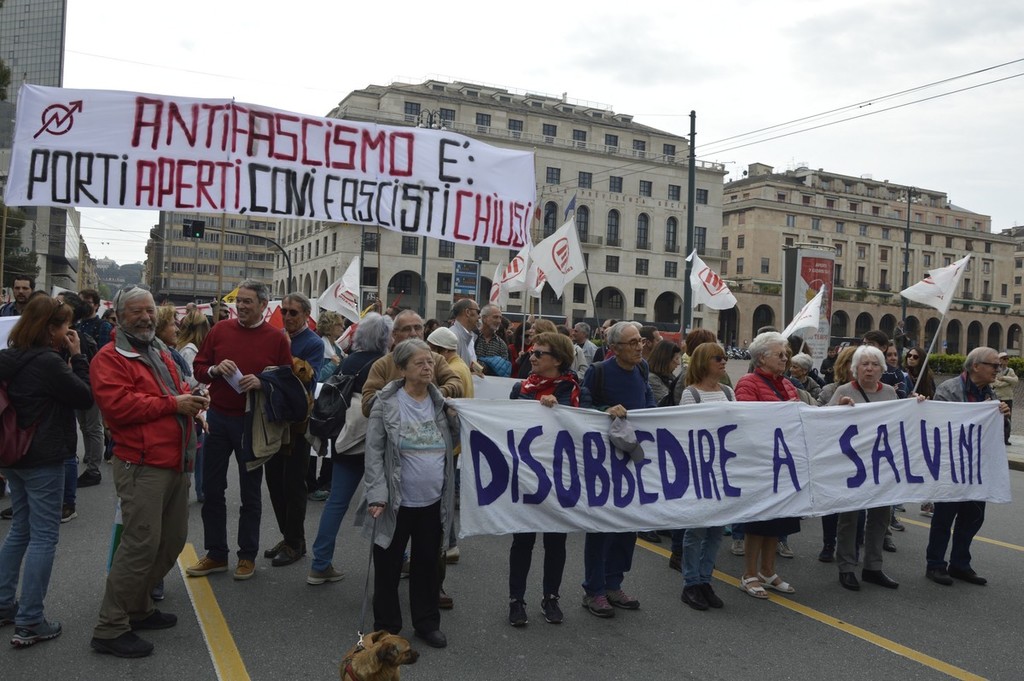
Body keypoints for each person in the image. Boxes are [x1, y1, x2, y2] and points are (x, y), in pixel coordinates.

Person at [88, 286, 208, 658]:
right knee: (140, 545)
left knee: (171, 541)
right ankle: (110, 627)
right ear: (119, 316)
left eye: (150, 311)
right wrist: (175, 403)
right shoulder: (109, 357)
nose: (145, 317)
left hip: (175, 461)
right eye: (136, 311)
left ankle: (138, 607)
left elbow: (177, 387)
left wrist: (194, 396)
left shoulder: (158, 350)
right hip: (141, 465)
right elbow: (119, 406)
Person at [0, 294, 92, 647]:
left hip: (13, 453)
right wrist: (78, 357)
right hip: (43, 455)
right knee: (43, 536)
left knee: (20, 529)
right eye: (66, 325)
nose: (69, 331)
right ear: (50, 329)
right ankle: (30, 620)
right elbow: (84, 397)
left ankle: (4, 602)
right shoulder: (49, 363)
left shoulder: (8, 357)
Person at [186, 280, 292, 581]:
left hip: (251, 423)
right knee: (212, 490)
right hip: (219, 419)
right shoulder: (219, 330)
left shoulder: (277, 338)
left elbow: (287, 381)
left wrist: (262, 382)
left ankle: (247, 556)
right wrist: (214, 370)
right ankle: (216, 554)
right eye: (239, 301)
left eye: (248, 302)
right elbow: (198, 367)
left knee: (250, 493)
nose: (241, 306)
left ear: (263, 305)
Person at [363, 339, 458, 649]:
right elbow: (374, 453)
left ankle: (427, 624)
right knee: (388, 567)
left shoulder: (440, 403)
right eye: (420, 363)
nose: (428, 367)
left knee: (427, 566)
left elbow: (456, 441)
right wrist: (377, 494)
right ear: (402, 369)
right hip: (395, 502)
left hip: (433, 501)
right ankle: (387, 628)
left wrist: (455, 418)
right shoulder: (386, 403)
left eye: (430, 361)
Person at [506, 332, 587, 627]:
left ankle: (551, 597)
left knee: (555, 542)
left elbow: (586, 421)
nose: (532, 357)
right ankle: (516, 600)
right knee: (522, 541)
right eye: (532, 352)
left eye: (539, 353)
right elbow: (506, 423)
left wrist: (561, 410)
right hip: (527, 476)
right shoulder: (521, 389)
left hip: (559, 476)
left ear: (558, 360)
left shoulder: (572, 390)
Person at [307, 313, 393, 585]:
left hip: (345, 440)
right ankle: (399, 558)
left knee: (336, 503)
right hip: (376, 442)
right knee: (387, 502)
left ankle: (320, 563)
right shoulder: (384, 364)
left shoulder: (348, 360)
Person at [579, 321, 655, 617]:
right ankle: (594, 590)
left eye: (640, 341)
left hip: (632, 460)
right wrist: (604, 411)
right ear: (614, 348)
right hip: (604, 462)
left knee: (627, 525)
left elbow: (649, 404)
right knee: (602, 527)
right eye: (632, 343)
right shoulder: (598, 372)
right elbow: (582, 409)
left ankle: (614, 584)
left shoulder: (642, 369)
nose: (639, 347)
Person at [925, 347, 1010, 587]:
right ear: (976, 366)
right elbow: (938, 427)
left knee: (972, 517)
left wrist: (1002, 416)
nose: (998, 369)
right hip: (951, 467)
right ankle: (935, 564)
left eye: (999, 366)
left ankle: (960, 564)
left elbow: (998, 435)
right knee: (944, 518)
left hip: (977, 469)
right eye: (994, 365)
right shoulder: (948, 390)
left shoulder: (990, 394)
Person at [828, 345, 903, 592]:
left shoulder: (890, 392)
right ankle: (846, 567)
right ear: (855, 368)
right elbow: (823, 422)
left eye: (874, 364)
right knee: (849, 517)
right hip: (852, 465)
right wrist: (838, 408)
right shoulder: (844, 390)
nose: (869, 369)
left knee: (880, 517)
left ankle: (873, 566)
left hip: (881, 465)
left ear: (882, 369)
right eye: (864, 364)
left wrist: (918, 405)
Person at [733, 331, 800, 599]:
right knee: (758, 521)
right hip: (760, 462)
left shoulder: (788, 384)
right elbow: (747, 418)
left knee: (778, 519)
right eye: (779, 354)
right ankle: (749, 574)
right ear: (761, 358)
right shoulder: (747, 382)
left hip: (785, 461)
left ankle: (768, 571)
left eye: (786, 354)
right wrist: (784, 412)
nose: (785, 358)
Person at [264, 293, 323, 568]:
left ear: (306, 315)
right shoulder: (276, 336)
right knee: (274, 482)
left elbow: (307, 380)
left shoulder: (313, 342)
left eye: (293, 312)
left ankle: (295, 543)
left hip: (297, 424)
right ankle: (288, 536)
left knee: (293, 485)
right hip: (274, 420)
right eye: (284, 311)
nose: (287, 316)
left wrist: (286, 352)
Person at [677, 343, 733, 611]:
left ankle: (705, 580)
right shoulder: (691, 394)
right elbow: (685, 433)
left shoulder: (728, 392)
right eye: (717, 358)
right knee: (697, 529)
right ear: (703, 362)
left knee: (716, 531)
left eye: (725, 357)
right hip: (700, 471)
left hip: (723, 470)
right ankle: (691, 583)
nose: (724, 361)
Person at [361, 310, 464, 417]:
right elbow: (367, 404)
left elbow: (457, 384)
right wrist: (403, 400)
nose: (413, 333)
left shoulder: (436, 360)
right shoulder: (382, 365)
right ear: (394, 334)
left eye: (417, 328)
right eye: (407, 329)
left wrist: (435, 394)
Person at [474, 304, 510, 377]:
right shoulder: (472, 337)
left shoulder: (501, 344)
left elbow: (504, 370)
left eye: (500, 318)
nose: (499, 321)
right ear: (484, 318)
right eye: (495, 317)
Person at [992, 352, 1017, 445]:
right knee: (996, 419)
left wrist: (1003, 378)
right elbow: (995, 383)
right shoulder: (995, 370)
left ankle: (1006, 438)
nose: (1006, 360)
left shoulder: (1010, 370)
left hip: (1008, 397)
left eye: (1007, 359)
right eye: (1004, 358)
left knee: (1007, 419)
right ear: (1000, 360)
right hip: (997, 397)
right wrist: (1008, 382)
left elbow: (1015, 380)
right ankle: (996, 437)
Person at [448, 298, 480, 370]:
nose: (479, 316)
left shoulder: (470, 337)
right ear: (467, 312)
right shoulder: (452, 337)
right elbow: (451, 371)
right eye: (478, 312)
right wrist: (471, 374)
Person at [647, 340, 681, 404]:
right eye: (676, 359)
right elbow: (668, 402)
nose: (678, 363)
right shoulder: (652, 379)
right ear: (666, 360)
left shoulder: (669, 376)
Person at [316, 310, 346, 382]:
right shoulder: (319, 348)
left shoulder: (337, 348)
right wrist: (332, 365)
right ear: (329, 326)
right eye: (338, 324)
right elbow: (316, 377)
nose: (343, 327)